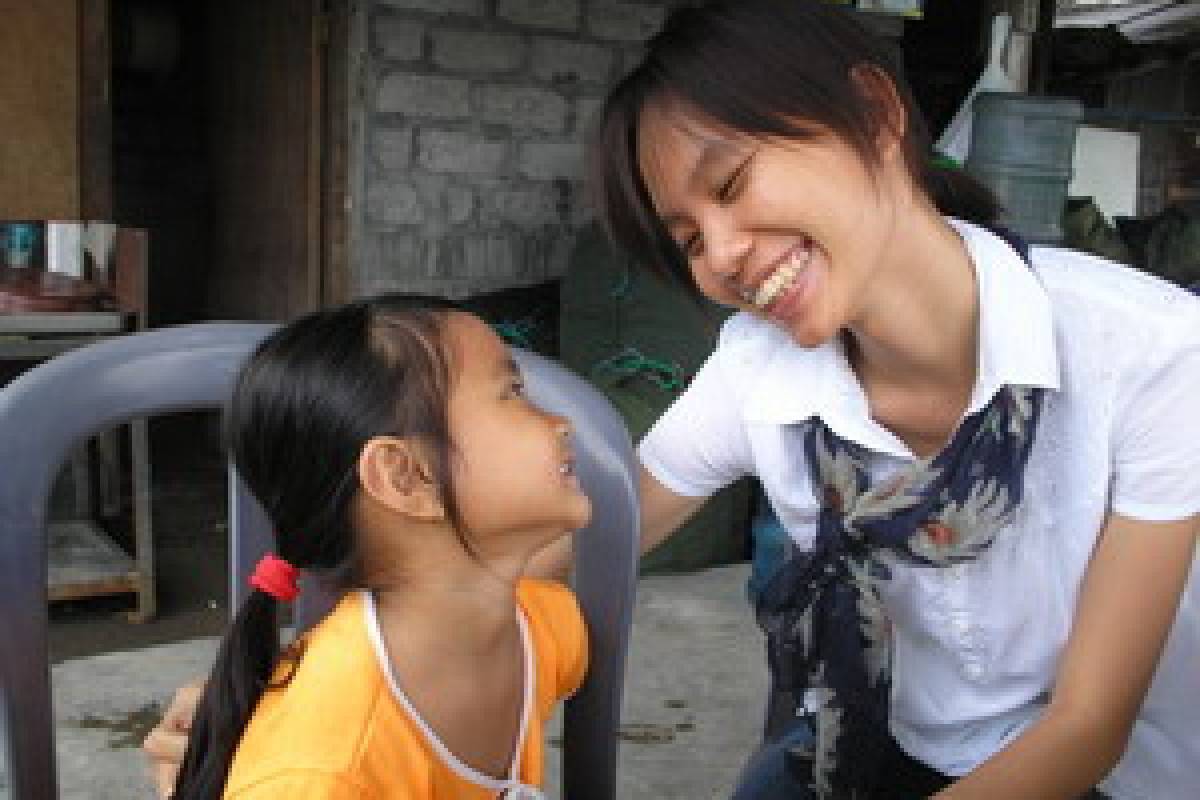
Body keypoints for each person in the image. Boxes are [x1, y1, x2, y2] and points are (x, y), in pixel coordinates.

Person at [149, 2, 1199, 798]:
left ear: (876, 117)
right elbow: (586, 535)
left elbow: (1089, 722)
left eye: (733, 185)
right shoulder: (760, 367)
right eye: (689, 237)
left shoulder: (1151, 354)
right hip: (870, 737)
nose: (724, 259)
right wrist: (288, 686)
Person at [159, 295, 590, 799]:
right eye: (511, 392)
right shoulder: (319, 775)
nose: (563, 422)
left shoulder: (539, 631)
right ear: (406, 476)